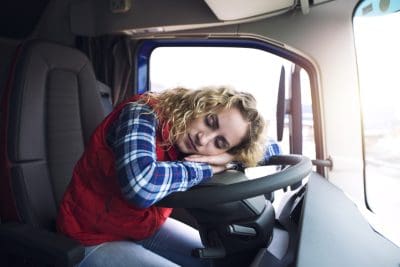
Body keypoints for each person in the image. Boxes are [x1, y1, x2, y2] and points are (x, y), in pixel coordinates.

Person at [57, 86, 269, 267]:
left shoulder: (191, 142)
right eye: (210, 121)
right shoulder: (142, 113)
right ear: (199, 105)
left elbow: (267, 151)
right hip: (89, 236)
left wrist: (230, 159)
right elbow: (141, 185)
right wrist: (209, 168)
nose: (203, 139)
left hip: (138, 226)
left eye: (220, 143)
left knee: (214, 262)